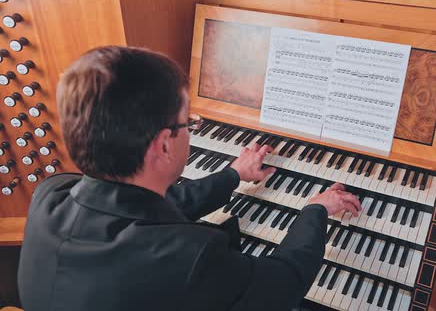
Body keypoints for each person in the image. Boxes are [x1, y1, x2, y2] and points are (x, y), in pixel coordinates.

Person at [18, 46, 362, 311]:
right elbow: (284, 283)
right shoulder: (190, 257)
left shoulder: (51, 194)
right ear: (164, 144)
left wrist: (232, 175)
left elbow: (147, 207)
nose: (191, 131)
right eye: (189, 123)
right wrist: (314, 211)